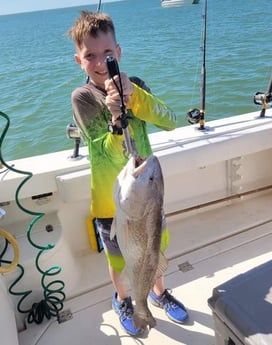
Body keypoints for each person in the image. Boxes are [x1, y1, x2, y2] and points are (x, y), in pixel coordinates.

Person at [67, 10, 188, 336]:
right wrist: (116, 123)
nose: (100, 61)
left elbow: (170, 119)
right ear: (79, 60)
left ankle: (157, 292)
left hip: (150, 197)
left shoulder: (136, 87)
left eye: (107, 53)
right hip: (112, 204)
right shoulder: (82, 97)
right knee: (120, 261)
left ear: (118, 53)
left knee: (153, 251)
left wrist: (136, 100)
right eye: (90, 55)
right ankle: (124, 300)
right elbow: (102, 150)